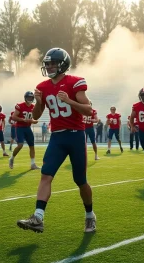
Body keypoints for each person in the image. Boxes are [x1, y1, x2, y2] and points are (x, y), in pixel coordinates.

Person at [17, 47, 96, 233]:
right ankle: (38, 217)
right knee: (46, 175)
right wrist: (37, 102)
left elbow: (88, 110)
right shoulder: (43, 87)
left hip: (76, 135)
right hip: (57, 137)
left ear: (63, 64)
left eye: (53, 63)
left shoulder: (75, 82)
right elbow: (36, 116)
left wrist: (70, 101)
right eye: (47, 64)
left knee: (80, 180)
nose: (50, 67)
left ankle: (90, 215)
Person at [9, 91, 39, 170]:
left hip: (28, 128)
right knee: (20, 145)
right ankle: (12, 158)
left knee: (32, 146)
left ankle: (33, 164)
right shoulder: (20, 106)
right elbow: (14, 117)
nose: (30, 99)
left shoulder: (33, 106)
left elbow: (33, 119)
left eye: (31, 97)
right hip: (20, 128)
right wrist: (23, 120)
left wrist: (33, 121)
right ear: (25, 98)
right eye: (28, 97)